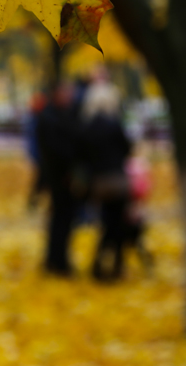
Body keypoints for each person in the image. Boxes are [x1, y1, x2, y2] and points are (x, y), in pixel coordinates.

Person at [76, 79, 132, 281]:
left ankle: (100, 263)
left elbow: (81, 156)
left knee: (106, 221)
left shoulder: (87, 127)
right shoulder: (114, 124)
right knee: (117, 222)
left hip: (98, 182)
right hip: (117, 180)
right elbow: (127, 149)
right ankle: (116, 263)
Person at [36, 81, 79, 276]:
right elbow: (56, 151)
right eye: (66, 93)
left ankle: (57, 259)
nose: (70, 97)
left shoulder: (58, 116)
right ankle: (57, 261)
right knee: (61, 219)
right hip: (60, 178)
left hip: (59, 176)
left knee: (62, 220)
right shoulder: (52, 119)